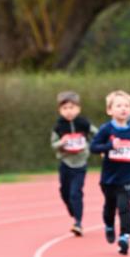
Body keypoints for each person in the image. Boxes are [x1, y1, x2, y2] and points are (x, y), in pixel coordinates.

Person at [90, 90, 130, 255]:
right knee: (110, 207)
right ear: (109, 110)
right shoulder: (106, 129)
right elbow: (93, 147)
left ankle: (125, 236)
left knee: (125, 207)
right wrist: (110, 146)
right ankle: (109, 225)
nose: (123, 109)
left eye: (126, 106)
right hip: (109, 179)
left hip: (126, 178)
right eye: (118, 105)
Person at [50, 90, 96, 236]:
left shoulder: (84, 123)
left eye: (72, 108)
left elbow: (99, 134)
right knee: (65, 193)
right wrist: (61, 143)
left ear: (78, 108)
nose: (68, 111)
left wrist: (90, 146)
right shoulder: (58, 126)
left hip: (81, 163)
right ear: (60, 110)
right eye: (65, 108)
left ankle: (78, 222)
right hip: (65, 163)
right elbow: (53, 144)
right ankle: (72, 210)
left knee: (76, 193)